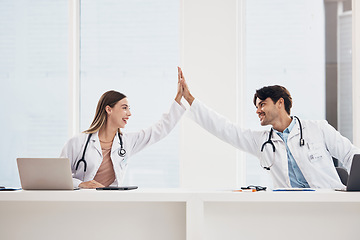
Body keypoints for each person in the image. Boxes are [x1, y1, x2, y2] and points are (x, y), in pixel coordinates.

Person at [177, 67, 360, 189]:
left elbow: (350, 155)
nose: (258, 110)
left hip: (328, 205)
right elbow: (225, 129)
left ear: (280, 103)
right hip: (290, 211)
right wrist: (190, 99)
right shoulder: (262, 140)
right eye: (256, 106)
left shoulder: (318, 129)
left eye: (262, 104)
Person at [60, 68, 185, 189]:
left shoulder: (126, 142)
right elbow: (58, 178)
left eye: (129, 108)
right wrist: (81, 184)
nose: (129, 113)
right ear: (109, 109)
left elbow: (160, 130)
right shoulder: (77, 142)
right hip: (82, 202)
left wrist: (179, 98)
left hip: (112, 202)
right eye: (124, 108)